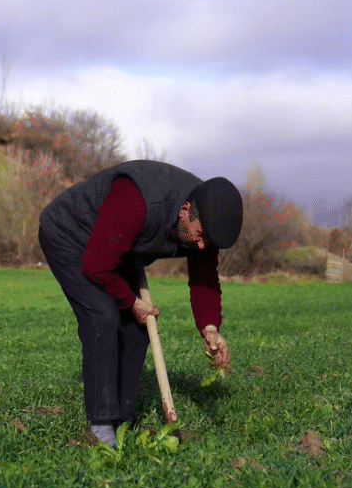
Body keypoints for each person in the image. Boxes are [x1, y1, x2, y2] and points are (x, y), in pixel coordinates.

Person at [38, 159, 243, 448]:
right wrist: (130, 300)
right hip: (72, 235)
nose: (201, 247)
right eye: (199, 237)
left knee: (138, 328)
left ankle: (122, 420)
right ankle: (100, 426)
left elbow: (204, 279)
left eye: (207, 242)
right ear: (185, 211)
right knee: (102, 315)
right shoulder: (136, 199)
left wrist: (210, 328)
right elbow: (96, 266)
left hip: (116, 245)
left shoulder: (205, 221)